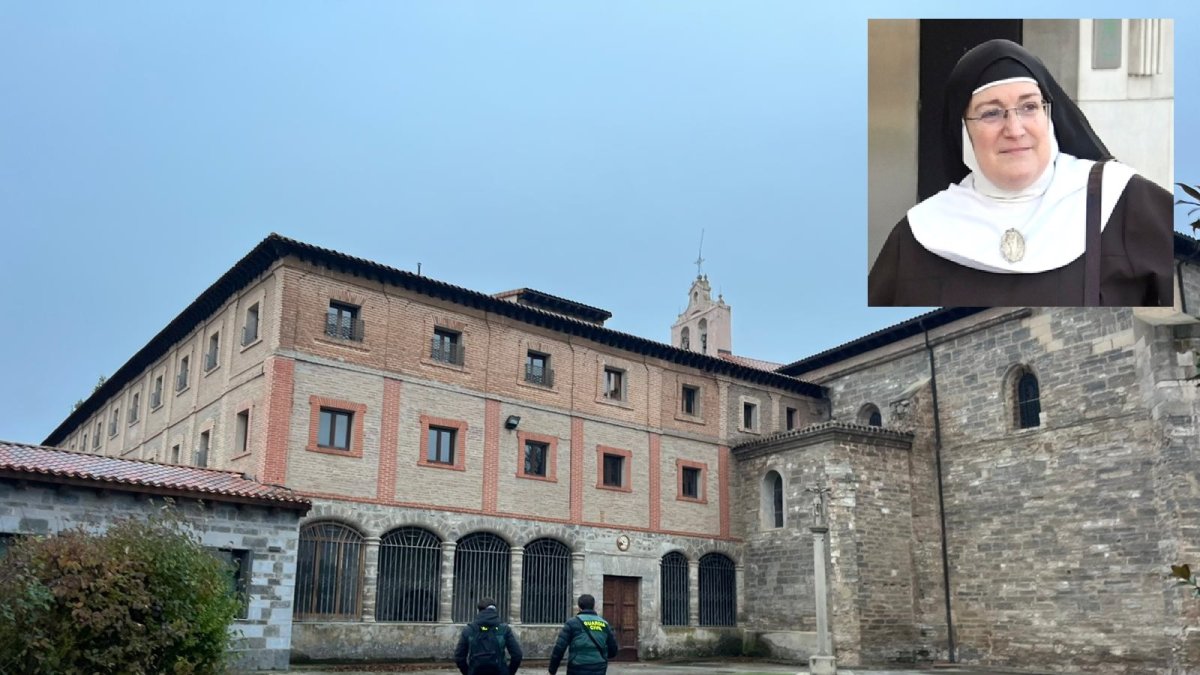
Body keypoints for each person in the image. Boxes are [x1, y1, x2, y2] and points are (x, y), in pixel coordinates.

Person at [869, 38, 1172, 307]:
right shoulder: (920, 235)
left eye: (1029, 107)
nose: (1014, 129)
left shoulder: (1123, 202)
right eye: (991, 113)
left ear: (1048, 116)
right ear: (964, 132)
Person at [547, 594, 620, 675]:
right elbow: (613, 650)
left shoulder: (572, 623)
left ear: (579, 607)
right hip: (599, 667)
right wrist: (600, 657)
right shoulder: (604, 624)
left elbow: (559, 649)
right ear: (593, 606)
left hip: (577, 667)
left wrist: (552, 670)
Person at [454, 598, 523, 675]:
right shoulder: (504, 629)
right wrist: (509, 672)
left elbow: (459, 656)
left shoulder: (469, 630)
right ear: (495, 610)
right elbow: (517, 655)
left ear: (479, 611)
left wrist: (468, 672)